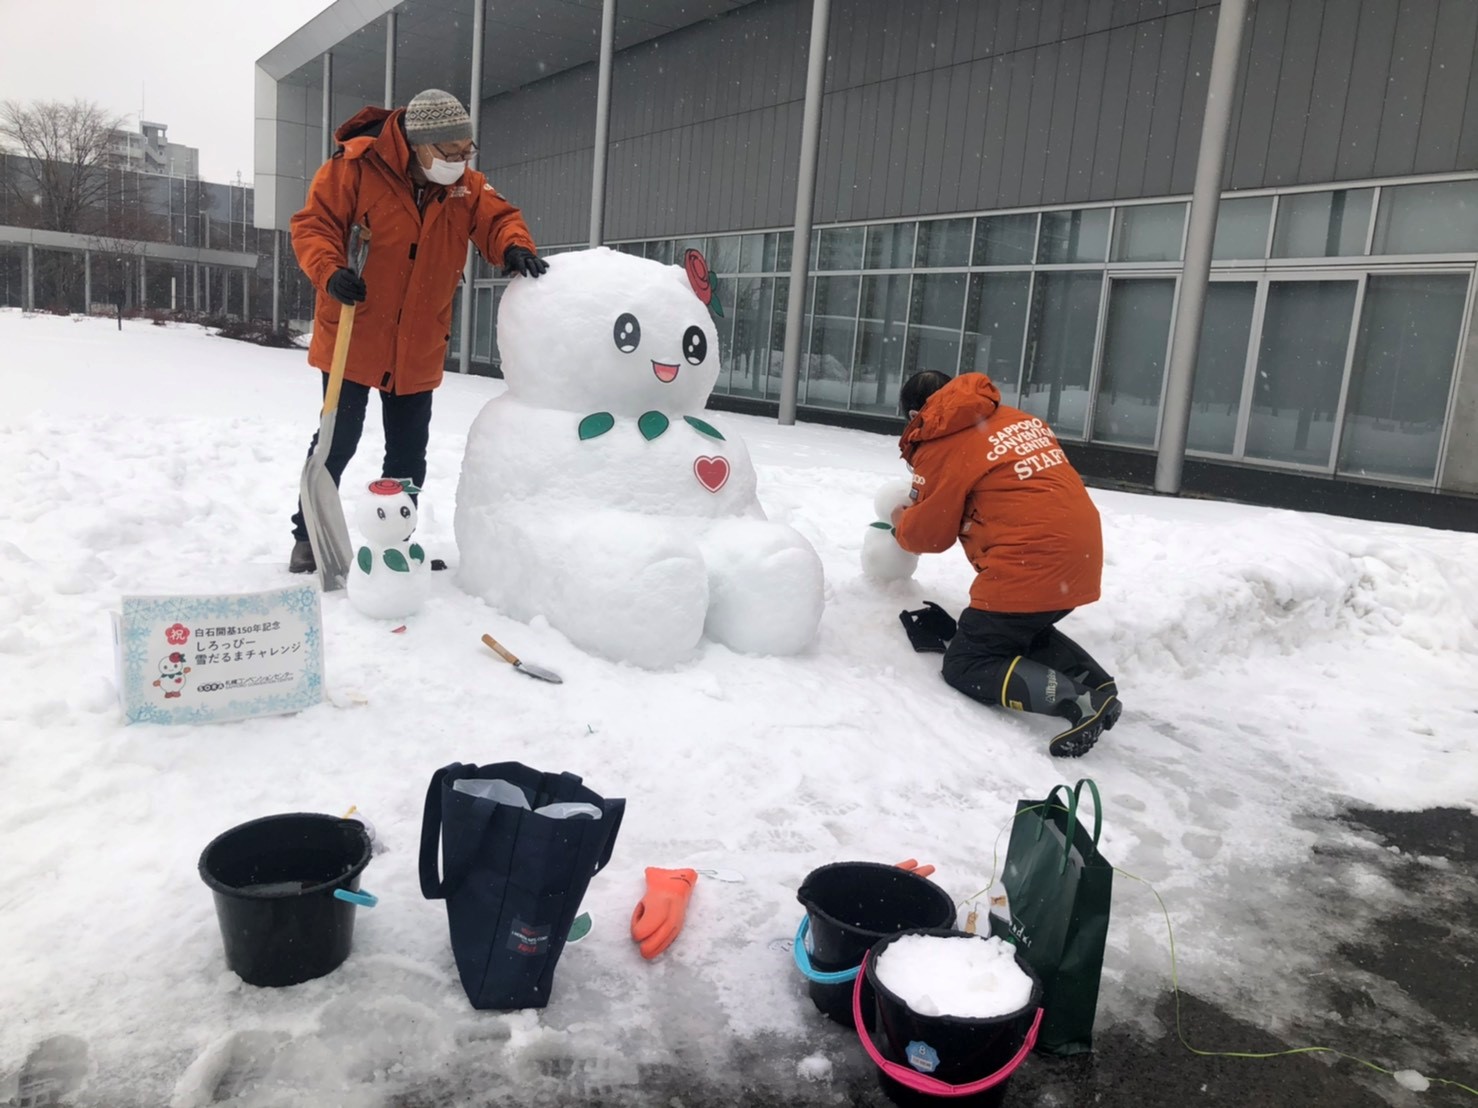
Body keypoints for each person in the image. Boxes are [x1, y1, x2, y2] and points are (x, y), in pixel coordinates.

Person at [287, 88, 548, 573]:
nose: (461, 161)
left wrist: (514, 247)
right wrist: (330, 271)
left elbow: (499, 220)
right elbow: (314, 226)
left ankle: (396, 544)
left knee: (408, 454)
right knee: (337, 441)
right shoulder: (353, 169)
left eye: (467, 151)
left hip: (419, 340)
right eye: (451, 152)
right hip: (354, 331)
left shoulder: (465, 187)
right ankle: (308, 537)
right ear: (419, 145)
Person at [890, 370, 1120, 757]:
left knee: (966, 662)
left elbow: (929, 536)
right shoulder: (1017, 420)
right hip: (1079, 554)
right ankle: (1096, 683)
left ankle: (1081, 702)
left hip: (1030, 560)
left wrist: (901, 520)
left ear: (916, 414)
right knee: (1012, 628)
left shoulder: (943, 442)